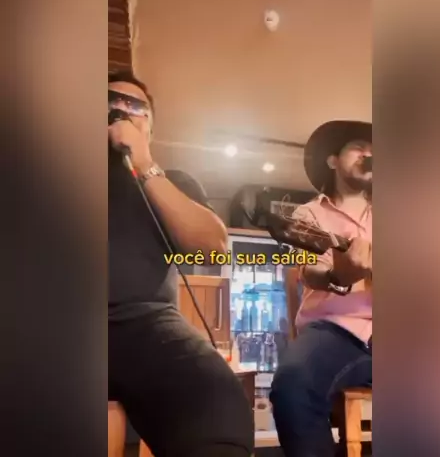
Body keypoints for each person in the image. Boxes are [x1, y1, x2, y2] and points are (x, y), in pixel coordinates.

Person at [108, 71, 254, 457]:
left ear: (150, 128)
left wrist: (145, 165)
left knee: (216, 401)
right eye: (109, 101)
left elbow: (212, 248)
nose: (120, 110)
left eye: (133, 106)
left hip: (147, 323)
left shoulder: (173, 182)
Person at [269, 121, 372, 457]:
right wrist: (341, 275)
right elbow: (311, 273)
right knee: (293, 385)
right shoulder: (307, 216)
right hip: (336, 333)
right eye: (359, 147)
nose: (370, 154)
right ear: (332, 160)